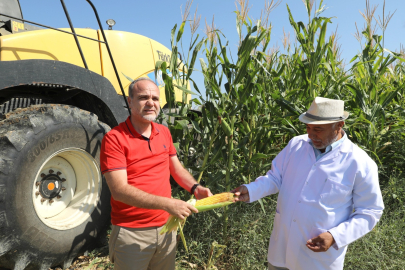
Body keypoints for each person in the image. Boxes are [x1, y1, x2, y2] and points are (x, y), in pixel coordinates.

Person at [233, 97, 384, 270]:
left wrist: (335, 236)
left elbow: (370, 211)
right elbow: (275, 178)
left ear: (339, 125)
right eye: (308, 127)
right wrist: (251, 190)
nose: (311, 135)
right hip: (281, 251)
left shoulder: (359, 162)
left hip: (317, 260)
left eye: (318, 129)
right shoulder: (296, 144)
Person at [100, 77, 212, 270]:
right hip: (132, 232)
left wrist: (195, 188)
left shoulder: (164, 132)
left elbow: (176, 169)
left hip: (166, 229)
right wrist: (168, 204)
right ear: (130, 101)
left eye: (155, 98)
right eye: (143, 97)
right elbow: (119, 190)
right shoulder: (115, 139)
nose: (151, 103)